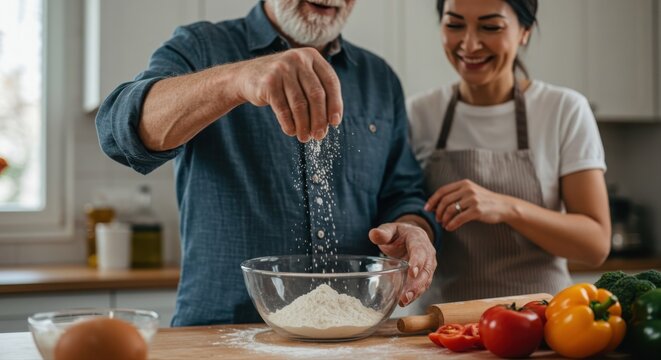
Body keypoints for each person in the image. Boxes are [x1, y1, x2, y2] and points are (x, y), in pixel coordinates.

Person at [96, 0, 439, 326]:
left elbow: (401, 191)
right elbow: (119, 129)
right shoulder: (201, 47)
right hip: (219, 337)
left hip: (352, 335)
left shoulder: (378, 78)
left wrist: (412, 228)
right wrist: (236, 80)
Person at [407, 0, 610, 304]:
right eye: (454, 24)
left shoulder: (563, 110)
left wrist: (505, 207)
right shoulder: (418, 114)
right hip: (443, 327)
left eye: (490, 27)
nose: (470, 44)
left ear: (524, 32)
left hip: (543, 323)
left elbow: (595, 244)